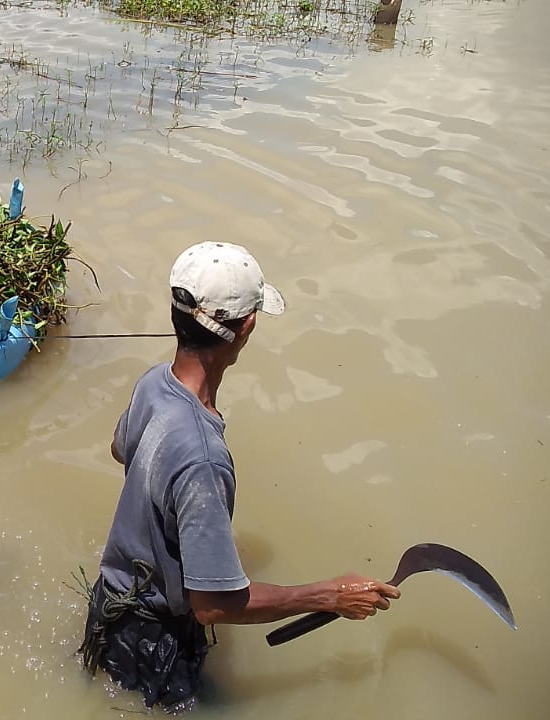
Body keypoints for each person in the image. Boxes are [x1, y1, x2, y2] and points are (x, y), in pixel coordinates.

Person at [79, 241, 401, 709]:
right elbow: (212, 606)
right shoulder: (204, 457)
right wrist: (330, 595)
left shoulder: (153, 383)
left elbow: (119, 449)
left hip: (108, 607)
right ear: (247, 325)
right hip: (155, 644)